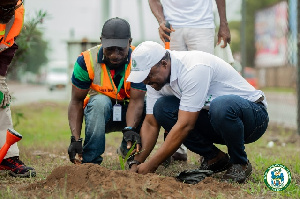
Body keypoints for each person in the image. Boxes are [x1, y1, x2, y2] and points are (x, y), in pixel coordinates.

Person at [126, 41, 269, 183]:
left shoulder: (193, 68)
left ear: (164, 64)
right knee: (162, 108)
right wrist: (137, 163)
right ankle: (214, 158)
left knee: (220, 106)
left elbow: (185, 125)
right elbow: (151, 123)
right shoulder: (154, 80)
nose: (146, 81)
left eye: (148, 75)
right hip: (216, 119)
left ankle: (240, 163)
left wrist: (152, 165)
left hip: (253, 118)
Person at [149, 0, 231, 161]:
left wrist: (223, 23)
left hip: (202, 25)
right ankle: (177, 146)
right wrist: (160, 21)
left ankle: (207, 148)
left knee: (204, 83)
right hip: (171, 26)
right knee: (170, 81)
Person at [67, 17, 146, 165]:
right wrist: (75, 139)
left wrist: (130, 129)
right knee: (99, 102)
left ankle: (128, 152)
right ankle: (91, 162)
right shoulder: (85, 61)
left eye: (120, 49)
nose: (115, 55)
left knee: (148, 105)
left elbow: (137, 101)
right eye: (109, 48)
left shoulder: (139, 59)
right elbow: (76, 102)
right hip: (100, 116)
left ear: (130, 42)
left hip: (130, 113)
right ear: (101, 41)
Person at [0, 0, 36, 178]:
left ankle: (8, 157)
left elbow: (7, 45)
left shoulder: (18, 11)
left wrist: (0, 79)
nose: (7, 9)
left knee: (1, 103)